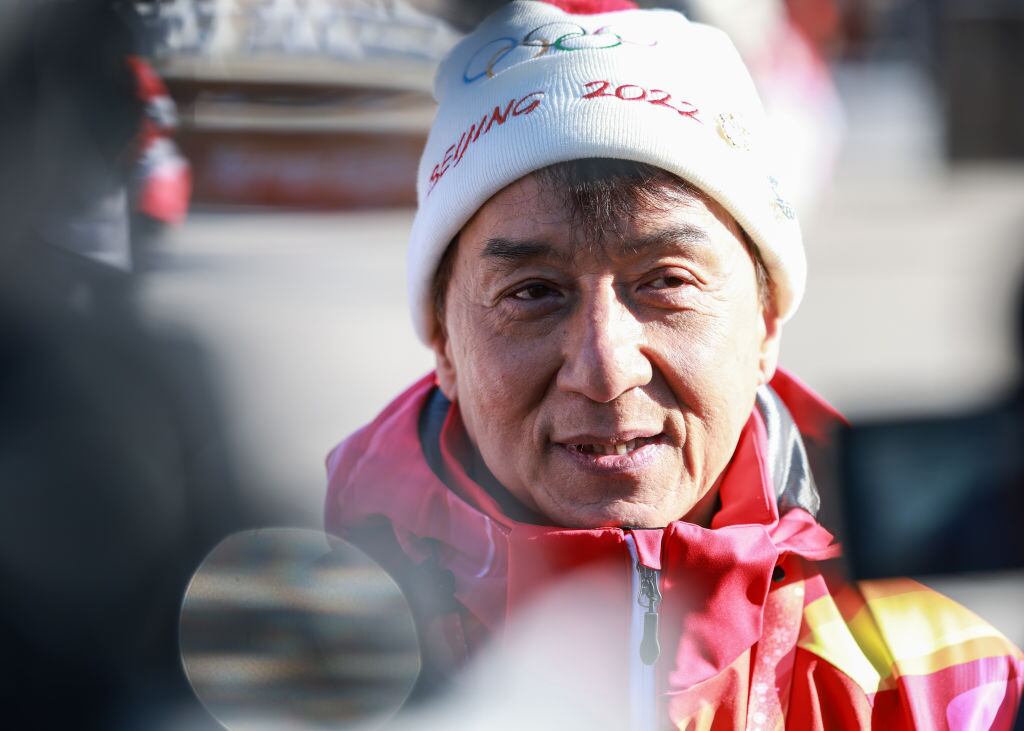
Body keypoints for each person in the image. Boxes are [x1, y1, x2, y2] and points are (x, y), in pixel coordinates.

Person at [324, 1, 1023, 727]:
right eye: (532, 292)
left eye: (665, 282)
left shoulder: (947, 682)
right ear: (443, 341)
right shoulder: (295, 644)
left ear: (766, 322)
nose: (604, 367)